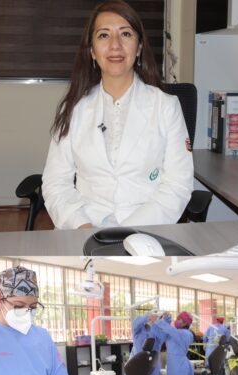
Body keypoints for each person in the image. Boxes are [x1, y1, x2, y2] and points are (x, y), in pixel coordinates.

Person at [42, 0, 194, 229]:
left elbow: (178, 185)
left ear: (139, 47)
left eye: (125, 34)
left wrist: (125, 232)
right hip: (83, 228)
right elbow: (55, 183)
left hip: (145, 228)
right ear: (92, 51)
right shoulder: (73, 108)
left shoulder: (166, 106)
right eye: (104, 35)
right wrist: (82, 227)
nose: (115, 45)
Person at [130, 308, 162, 375]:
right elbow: (136, 324)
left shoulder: (154, 331)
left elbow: (162, 335)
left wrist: (165, 318)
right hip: (139, 365)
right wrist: (148, 316)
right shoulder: (138, 331)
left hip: (152, 366)